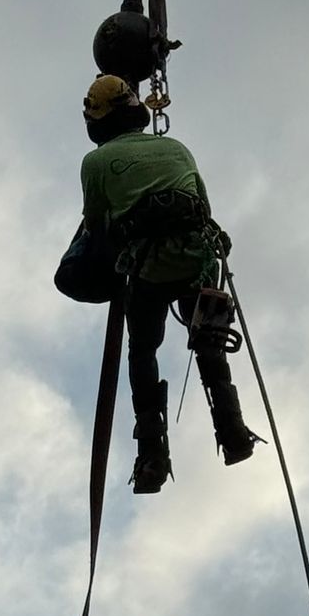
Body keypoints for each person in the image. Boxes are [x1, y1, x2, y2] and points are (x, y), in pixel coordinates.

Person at [76, 75, 258, 494]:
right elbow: (204, 207)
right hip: (197, 257)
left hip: (148, 267)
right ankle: (232, 429)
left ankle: (153, 454)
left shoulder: (96, 163)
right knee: (208, 340)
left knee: (142, 351)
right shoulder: (177, 149)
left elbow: (97, 227)